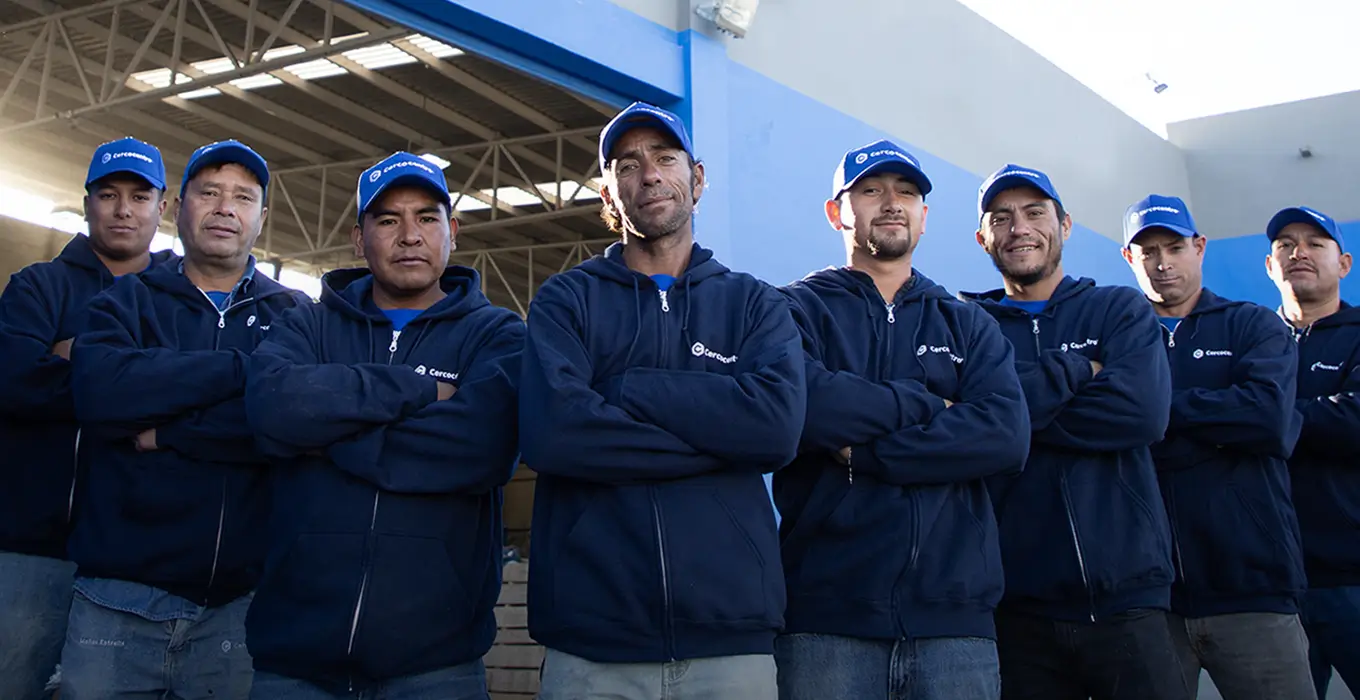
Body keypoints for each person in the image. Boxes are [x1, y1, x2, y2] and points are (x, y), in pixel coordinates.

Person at [519, 101, 807, 700]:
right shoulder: (567, 301)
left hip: (731, 640)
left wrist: (626, 389)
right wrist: (719, 440)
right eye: (627, 165)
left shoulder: (755, 304)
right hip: (592, 643)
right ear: (608, 194)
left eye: (665, 158)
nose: (649, 174)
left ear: (696, 179)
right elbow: (556, 434)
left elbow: (775, 431)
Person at [243, 152, 524, 697]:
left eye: (427, 218)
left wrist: (328, 437)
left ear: (453, 232)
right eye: (389, 220)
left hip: (437, 665)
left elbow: (481, 448)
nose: (410, 235)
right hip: (295, 662)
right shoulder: (307, 325)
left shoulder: (497, 335)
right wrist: (419, 390)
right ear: (359, 238)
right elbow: (274, 407)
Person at [773, 140, 1029, 700]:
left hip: (954, 625)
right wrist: (934, 407)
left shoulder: (968, 323)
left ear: (924, 216)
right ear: (837, 212)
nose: (892, 203)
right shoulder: (792, 311)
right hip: (825, 621)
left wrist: (865, 450)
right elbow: (808, 408)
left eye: (906, 193)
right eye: (871, 190)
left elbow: (1005, 436)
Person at [63, 139, 310, 699]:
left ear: (262, 217)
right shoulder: (126, 301)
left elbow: (294, 425)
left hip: (242, 610)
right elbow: (101, 396)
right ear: (178, 207)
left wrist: (172, 429)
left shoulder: (296, 316)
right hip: (117, 600)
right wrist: (243, 370)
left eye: (243, 198)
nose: (225, 209)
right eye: (210, 193)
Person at [961, 165, 1187, 700]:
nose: (1020, 228)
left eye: (1034, 213)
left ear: (1064, 224)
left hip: (1129, 599)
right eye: (1001, 218)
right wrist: (1078, 371)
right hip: (1015, 609)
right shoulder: (966, 324)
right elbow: (968, 431)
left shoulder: (1118, 308)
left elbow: (1141, 414)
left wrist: (1009, 410)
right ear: (982, 238)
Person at [0, 137, 176, 700]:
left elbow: (184, 394)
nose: (124, 210)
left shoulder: (175, 301)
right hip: (32, 550)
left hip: (130, 564)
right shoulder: (39, 285)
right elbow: (14, 382)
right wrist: (131, 377)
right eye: (108, 194)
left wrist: (75, 355)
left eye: (139, 197)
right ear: (87, 204)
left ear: (163, 208)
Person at [1122, 195, 1314, 700]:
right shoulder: (1118, 337)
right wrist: (1219, 419)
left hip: (1253, 588)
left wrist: (1156, 409)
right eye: (1148, 252)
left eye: (1174, 248)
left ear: (1200, 247)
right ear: (1128, 258)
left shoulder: (1252, 324)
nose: (1163, 264)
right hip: (1150, 600)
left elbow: (1270, 419)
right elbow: (1105, 423)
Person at [1263, 205, 1360, 699]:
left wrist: (1261, 417)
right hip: (1272, 582)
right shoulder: (1251, 339)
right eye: (1286, 244)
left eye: (1315, 244)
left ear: (1343, 264)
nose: (1298, 252)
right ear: (1270, 265)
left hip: (1352, 575)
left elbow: (1354, 422)